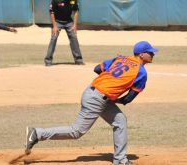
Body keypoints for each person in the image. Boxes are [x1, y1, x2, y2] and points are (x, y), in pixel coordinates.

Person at [25, 41, 158, 165]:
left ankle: (120, 159)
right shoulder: (141, 72)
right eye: (150, 52)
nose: (153, 54)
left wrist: (111, 79)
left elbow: (97, 69)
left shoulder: (120, 59)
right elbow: (128, 99)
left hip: (93, 92)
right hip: (97, 99)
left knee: (120, 120)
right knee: (77, 131)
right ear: (141, 54)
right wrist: (116, 97)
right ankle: (37, 133)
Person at [44, 0, 84, 66]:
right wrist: (54, 26)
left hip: (69, 21)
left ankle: (78, 60)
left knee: (73, 37)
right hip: (57, 21)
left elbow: (76, 11)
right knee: (54, 38)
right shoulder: (55, 1)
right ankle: (48, 60)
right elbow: (52, 12)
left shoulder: (73, 1)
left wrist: (74, 25)